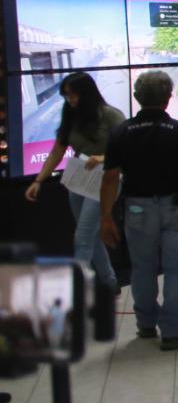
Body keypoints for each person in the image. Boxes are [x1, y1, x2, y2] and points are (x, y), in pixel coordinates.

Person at [98, 71, 178, 351]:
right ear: (168, 99)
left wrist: (106, 217)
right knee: (175, 270)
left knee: (142, 268)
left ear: (136, 97)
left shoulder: (120, 132)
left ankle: (146, 325)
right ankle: (172, 332)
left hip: (137, 208)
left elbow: (110, 178)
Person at [24, 71, 125, 290]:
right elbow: (56, 152)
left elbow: (129, 149)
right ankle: (109, 281)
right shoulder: (70, 115)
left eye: (73, 94)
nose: (70, 99)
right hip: (79, 178)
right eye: (67, 95)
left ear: (86, 93)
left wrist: (103, 158)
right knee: (88, 233)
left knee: (82, 237)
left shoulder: (109, 115)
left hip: (106, 178)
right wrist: (39, 180)